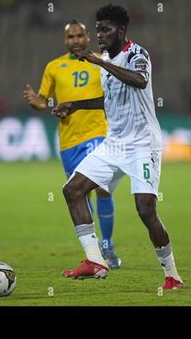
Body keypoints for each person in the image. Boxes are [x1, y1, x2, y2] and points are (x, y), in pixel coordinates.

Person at [52, 4, 183, 289]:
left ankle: (172, 275)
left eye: (105, 29)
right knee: (72, 190)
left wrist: (99, 62)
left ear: (121, 30)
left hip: (142, 145)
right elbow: (108, 100)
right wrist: (76, 105)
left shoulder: (137, 54)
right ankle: (94, 260)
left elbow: (139, 80)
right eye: (97, 29)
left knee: (145, 210)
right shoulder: (106, 61)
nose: (99, 35)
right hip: (114, 145)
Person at [23, 19, 121, 268]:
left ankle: (108, 246)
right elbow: (44, 101)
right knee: (80, 194)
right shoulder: (54, 67)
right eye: (71, 37)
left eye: (79, 36)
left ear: (87, 36)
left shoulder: (101, 62)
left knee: (102, 187)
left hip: (98, 134)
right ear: (65, 40)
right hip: (68, 142)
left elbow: (114, 96)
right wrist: (37, 101)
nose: (75, 40)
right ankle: (94, 251)